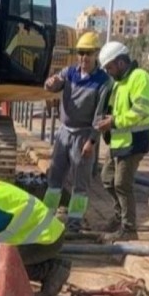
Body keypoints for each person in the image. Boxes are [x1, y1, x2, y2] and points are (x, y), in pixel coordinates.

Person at [42, 31, 110, 232]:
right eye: (81, 53)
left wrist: (92, 141)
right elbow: (52, 86)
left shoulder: (102, 82)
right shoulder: (69, 72)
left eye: (88, 53)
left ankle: (74, 222)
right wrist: (49, 83)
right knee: (55, 177)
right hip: (64, 133)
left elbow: (100, 115)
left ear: (96, 54)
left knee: (80, 184)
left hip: (83, 135)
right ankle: (46, 216)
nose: (84, 58)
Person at [93, 41, 149, 243]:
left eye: (110, 67)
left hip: (135, 141)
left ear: (120, 63)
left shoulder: (140, 78)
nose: (109, 72)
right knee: (107, 178)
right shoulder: (120, 83)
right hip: (120, 143)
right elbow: (114, 110)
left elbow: (141, 110)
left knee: (122, 183)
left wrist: (113, 121)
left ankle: (129, 229)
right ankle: (120, 218)